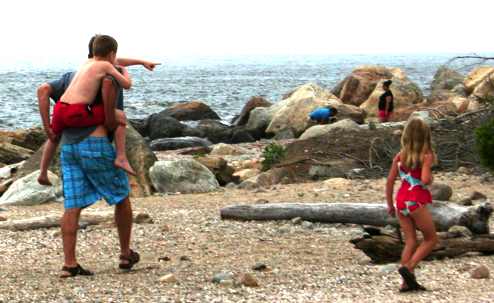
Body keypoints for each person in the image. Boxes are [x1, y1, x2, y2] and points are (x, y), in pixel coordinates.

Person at [38, 63, 139, 278]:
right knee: (121, 196)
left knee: (72, 206)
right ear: (111, 56)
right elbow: (114, 119)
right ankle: (124, 254)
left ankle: (69, 264)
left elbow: (43, 90)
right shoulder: (111, 76)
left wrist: (47, 128)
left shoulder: (70, 77)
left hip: (68, 148)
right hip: (95, 144)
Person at [37, 35, 159, 185]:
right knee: (120, 116)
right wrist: (123, 71)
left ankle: (42, 172)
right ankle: (121, 157)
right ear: (112, 55)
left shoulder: (85, 65)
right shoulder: (107, 67)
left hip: (60, 110)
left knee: (54, 137)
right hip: (77, 113)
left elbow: (118, 61)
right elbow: (127, 84)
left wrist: (142, 62)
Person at [385, 118, 438, 292]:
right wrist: (428, 167)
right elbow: (424, 180)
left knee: (410, 241)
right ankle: (409, 268)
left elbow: (390, 181)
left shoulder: (399, 157)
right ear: (426, 136)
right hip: (416, 201)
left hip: (401, 201)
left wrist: (390, 204)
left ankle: (405, 283)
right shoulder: (426, 156)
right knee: (431, 239)